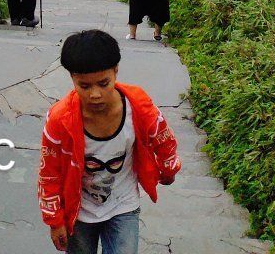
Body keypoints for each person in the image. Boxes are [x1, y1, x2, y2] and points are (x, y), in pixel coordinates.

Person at [38, 28, 180, 254]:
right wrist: (54, 220)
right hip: (79, 211)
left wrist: (169, 169)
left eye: (103, 83)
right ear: (72, 78)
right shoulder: (59, 120)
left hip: (123, 205)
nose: (95, 94)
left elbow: (163, 138)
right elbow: (49, 173)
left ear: (116, 71)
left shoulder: (138, 107)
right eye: (84, 86)